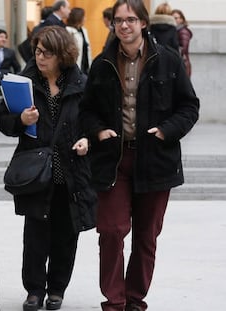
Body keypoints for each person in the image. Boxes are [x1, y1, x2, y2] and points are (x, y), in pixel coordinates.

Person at [78, 0, 199, 310]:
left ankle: (135, 300)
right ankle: (114, 302)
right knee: (111, 231)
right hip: (114, 160)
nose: (124, 25)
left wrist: (165, 131)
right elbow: (87, 109)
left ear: (143, 23)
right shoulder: (103, 62)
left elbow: (189, 107)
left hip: (156, 160)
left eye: (131, 19)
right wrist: (99, 131)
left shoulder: (168, 60)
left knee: (146, 237)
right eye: (119, 20)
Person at [0, 25, 97, 311]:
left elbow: (95, 121)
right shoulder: (23, 81)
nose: (40, 58)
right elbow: (4, 121)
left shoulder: (81, 85)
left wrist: (87, 139)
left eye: (47, 53)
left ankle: (57, 289)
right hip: (37, 174)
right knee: (35, 236)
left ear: (62, 55)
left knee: (66, 235)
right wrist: (21, 121)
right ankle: (34, 290)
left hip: (71, 171)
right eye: (38, 51)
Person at [66, 7, 92, 74]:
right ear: (78, 18)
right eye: (84, 17)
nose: (85, 19)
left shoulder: (84, 30)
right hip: (75, 66)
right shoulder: (68, 31)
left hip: (85, 66)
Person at [172, 9, 193, 76]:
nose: (174, 20)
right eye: (172, 18)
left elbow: (183, 48)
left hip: (183, 64)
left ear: (181, 19)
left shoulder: (183, 31)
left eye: (176, 18)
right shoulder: (175, 30)